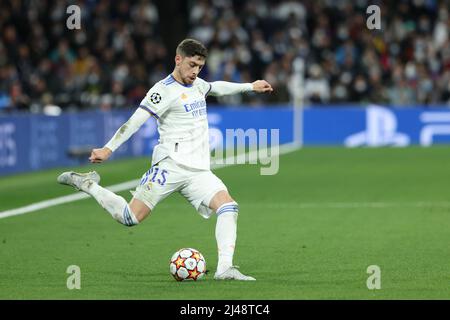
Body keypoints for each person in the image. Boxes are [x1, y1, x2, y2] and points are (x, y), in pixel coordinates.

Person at [57, 38, 273, 280]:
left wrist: (250, 86)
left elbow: (217, 86)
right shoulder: (162, 91)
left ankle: (225, 268)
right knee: (130, 218)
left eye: (200, 67)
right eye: (192, 65)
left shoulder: (198, 85)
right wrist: (108, 149)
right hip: (169, 166)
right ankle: (88, 185)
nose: (195, 71)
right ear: (178, 59)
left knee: (228, 206)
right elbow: (135, 122)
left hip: (198, 172)